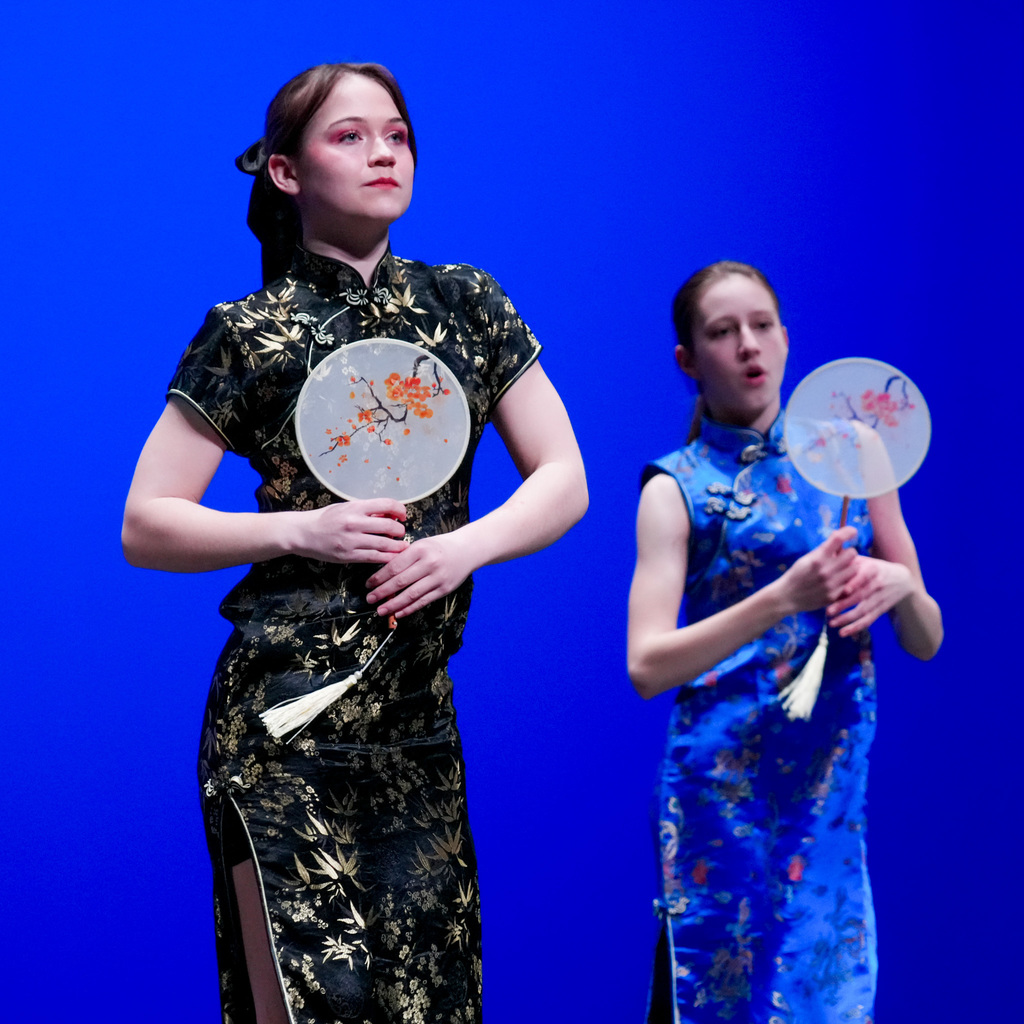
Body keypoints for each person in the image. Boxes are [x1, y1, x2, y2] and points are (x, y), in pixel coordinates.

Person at [123, 63, 587, 1024]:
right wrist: (305, 528)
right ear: (286, 173)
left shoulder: (468, 303)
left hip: (417, 725)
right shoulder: (248, 331)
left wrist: (464, 548)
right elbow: (147, 522)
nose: (384, 151)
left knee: (434, 1008)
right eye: (349, 136)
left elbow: (564, 481)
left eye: (399, 134)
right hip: (283, 727)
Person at [627, 261, 942, 1023]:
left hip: (829, 788)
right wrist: (782, 599)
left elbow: (926, 637)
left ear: (787, 337)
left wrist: (903, 588)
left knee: (826, 992)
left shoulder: (854, 457)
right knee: (720, 991)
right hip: (721, 793)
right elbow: (645, 665)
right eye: (722, 331)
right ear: (687, 361)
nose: (748, 346)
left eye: (762, 325)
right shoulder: (676, 487)